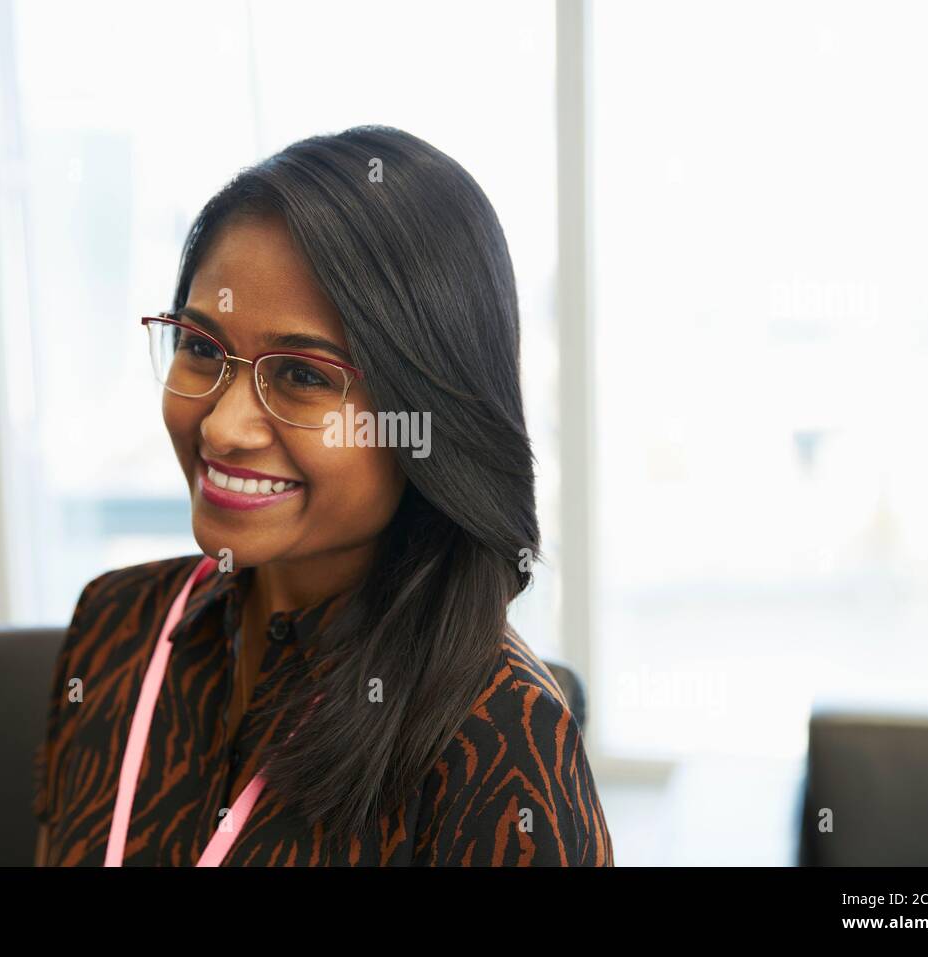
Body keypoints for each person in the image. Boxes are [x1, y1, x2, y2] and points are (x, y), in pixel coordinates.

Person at [33, 124, 613, 866]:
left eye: (304, 375)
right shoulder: (114, 626)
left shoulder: (502, 734)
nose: (223, 423)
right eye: (203, 348)